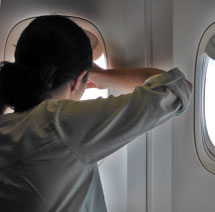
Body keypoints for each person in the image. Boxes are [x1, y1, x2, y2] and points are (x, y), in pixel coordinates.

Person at [0, 15, 191, 211]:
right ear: (78, 80)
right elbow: (177, 88)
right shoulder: (60, 123)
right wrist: (100, 75)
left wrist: (85, 70)